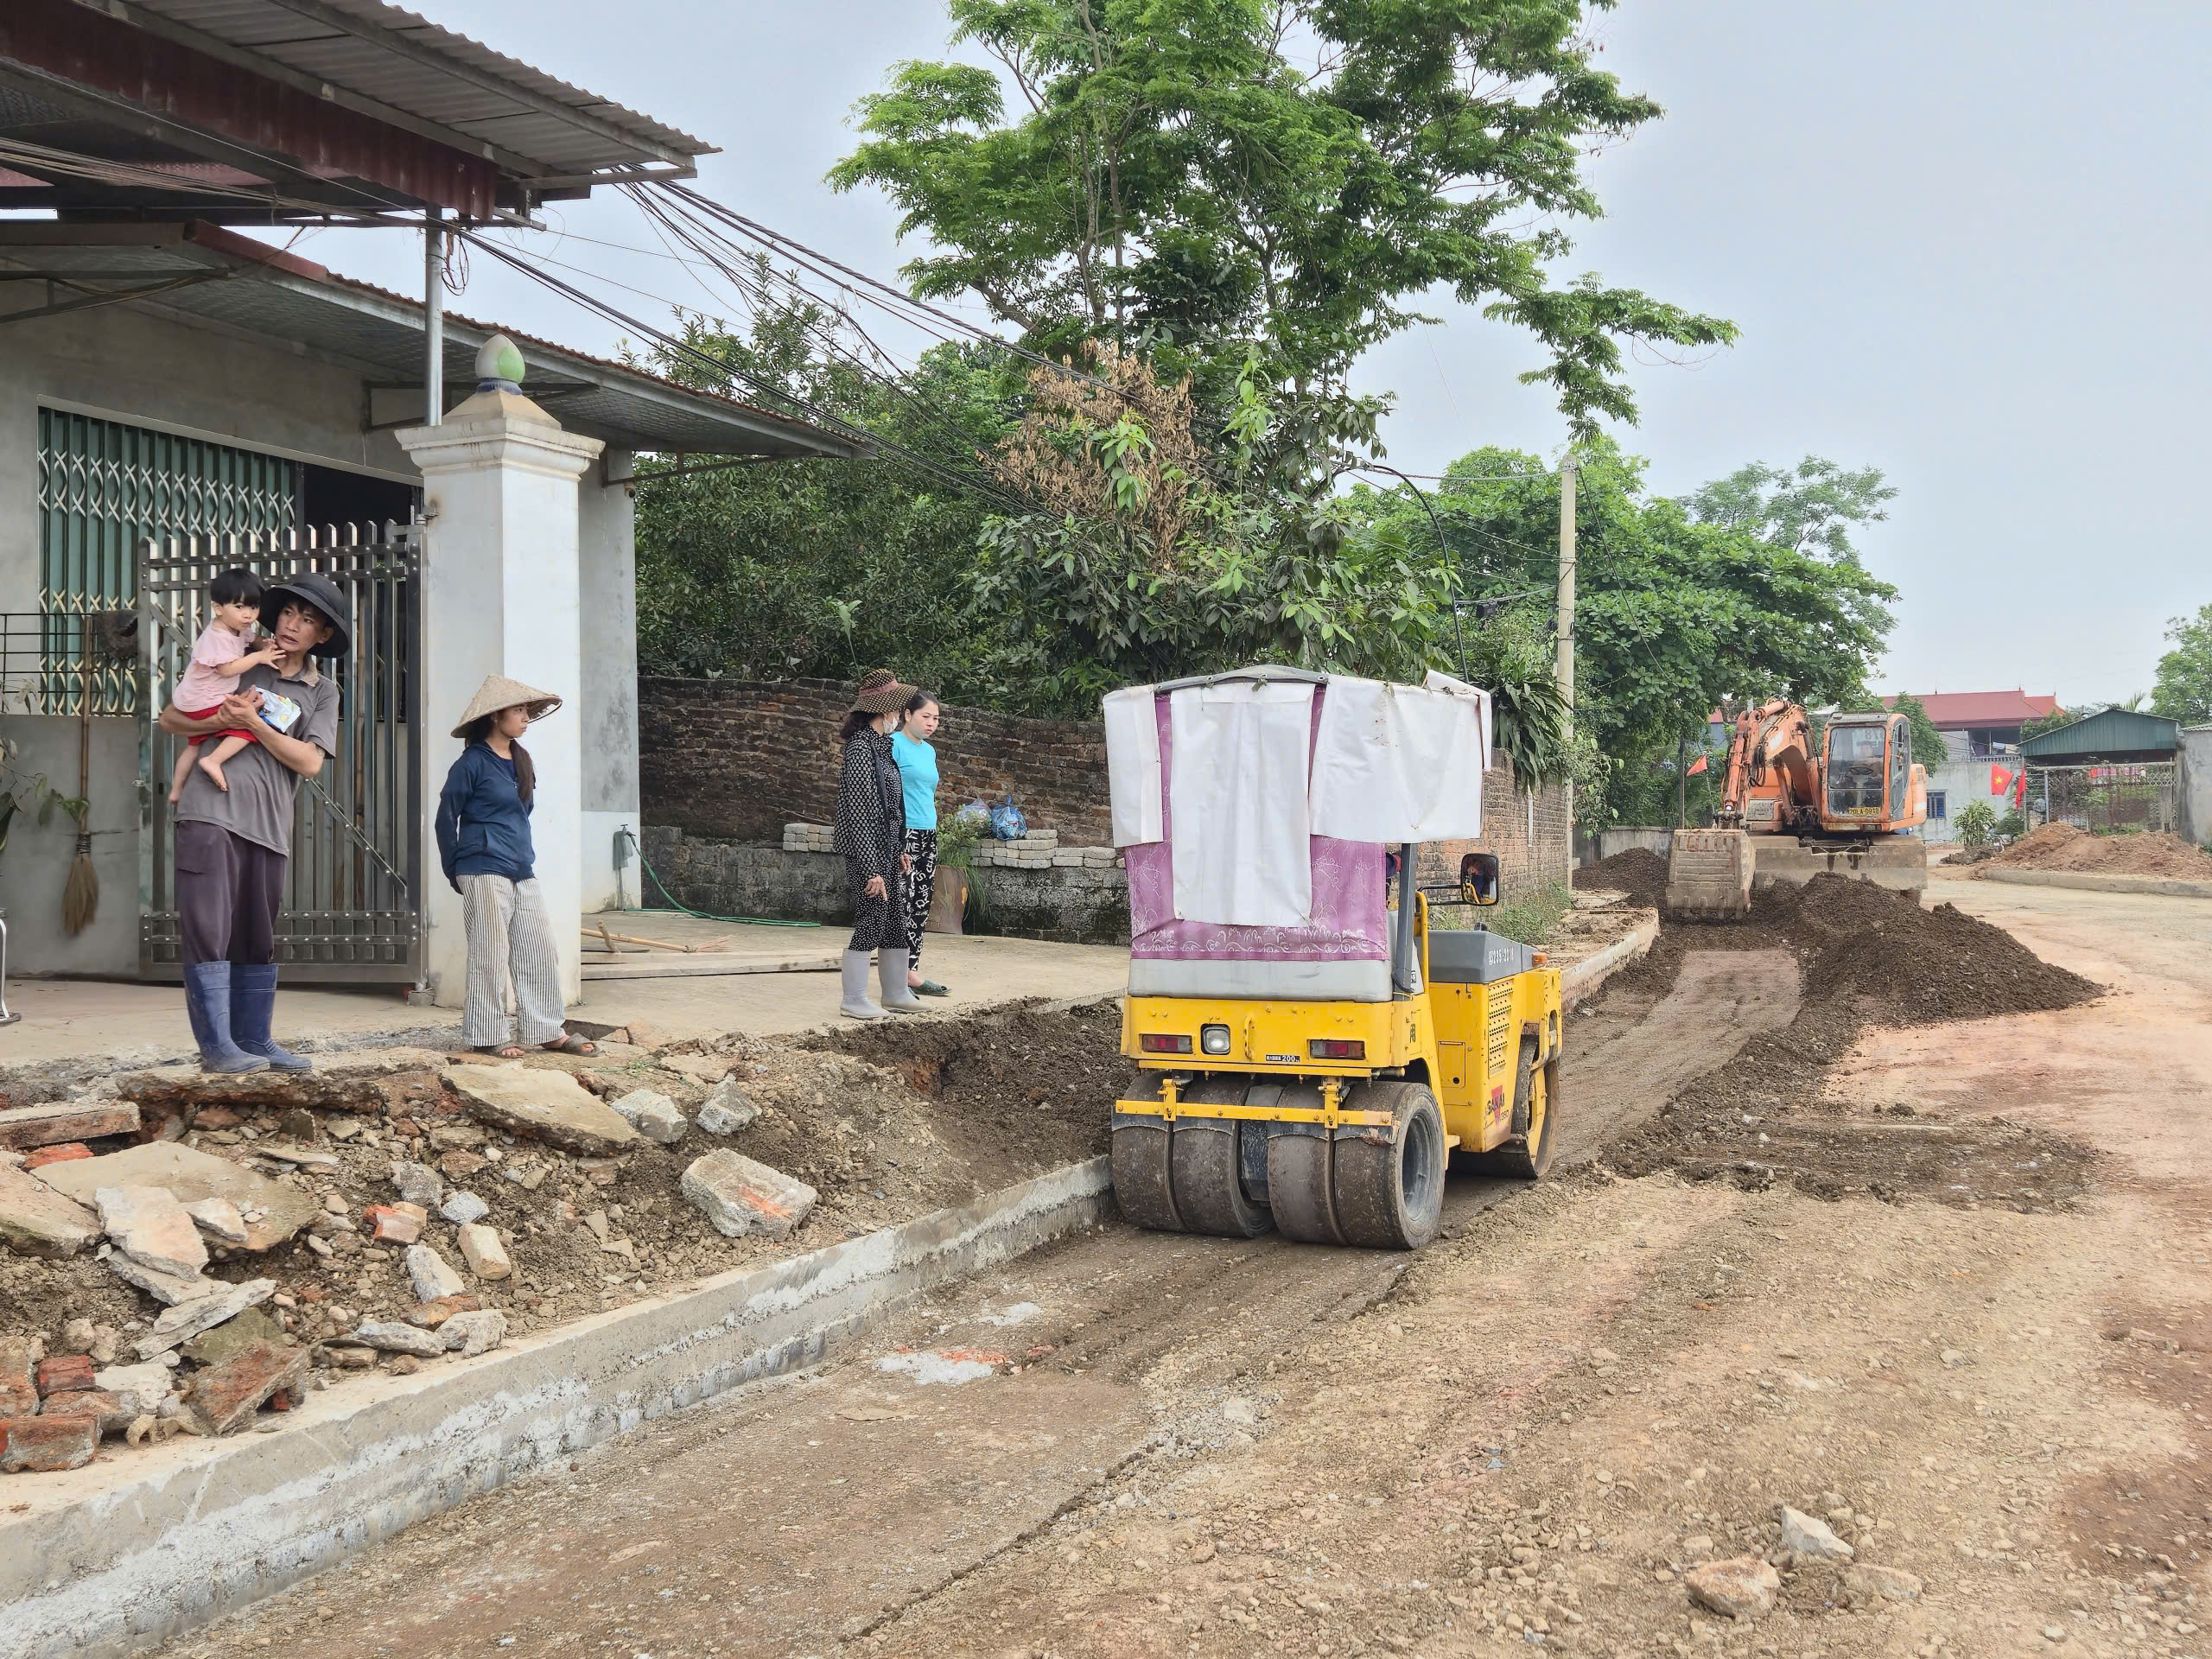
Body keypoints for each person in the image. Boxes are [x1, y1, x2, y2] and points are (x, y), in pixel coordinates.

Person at [157, 571, 348, 1073]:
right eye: (288, 612)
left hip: (268, 824)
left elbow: (309, 763)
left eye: (307, 621)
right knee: (209, 928)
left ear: (322, 636)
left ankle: (255, 1040)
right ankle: (218, 1047)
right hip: (211, 812)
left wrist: (255, 725)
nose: (292, 625)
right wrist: (220, 722)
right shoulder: (240, 659)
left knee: (256, 935)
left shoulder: (322, 692)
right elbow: (170, 718)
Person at [436, 675, 598, 1058]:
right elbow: (447, 816)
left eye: (527, 710)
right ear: (495, 717)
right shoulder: (472, 762)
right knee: (489, 951)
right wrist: (454, 867)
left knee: (538, 947)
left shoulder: (521, 760)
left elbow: (521, 815)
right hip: (481, 865)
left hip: (521, 866)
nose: (526, 718)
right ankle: (487, 1034)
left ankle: (545, 1029)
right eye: (519, 710)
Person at [834, 668, 924, 1020]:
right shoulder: (859, 750)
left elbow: (889, 804)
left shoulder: (882, 747)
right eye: (898, 710)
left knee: (894, 920)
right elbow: (858, 813)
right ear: (884, 712)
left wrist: (900, 847)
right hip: (865, 853)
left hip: (886, 850)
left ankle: (896, 991)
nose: (900, 717)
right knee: (872, 918)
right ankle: (853, 998)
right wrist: (872, 868)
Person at [166, 567, 283, 802]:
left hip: (193, 698)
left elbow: (252, 638)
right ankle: (213, 760)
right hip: (204, 700)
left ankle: (176, 790)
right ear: (218, 608)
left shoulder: (234, 627)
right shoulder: (218, 637)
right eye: (239, 607)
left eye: (253, 607)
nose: (248, 614)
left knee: (193, 745)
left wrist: (265, 644)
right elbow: (227, 669)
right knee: (248, 724)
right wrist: (260, 657)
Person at [890, 690, 950, 997]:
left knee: (921, 904)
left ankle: (911, 971)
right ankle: (895, 976)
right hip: (904, 833)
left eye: (936, 718)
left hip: (928, 832)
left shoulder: (929, 752)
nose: (931, 723)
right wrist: (895, 840)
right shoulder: (893, 746)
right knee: (902, 902)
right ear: (907, 714)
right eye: (925, 716)